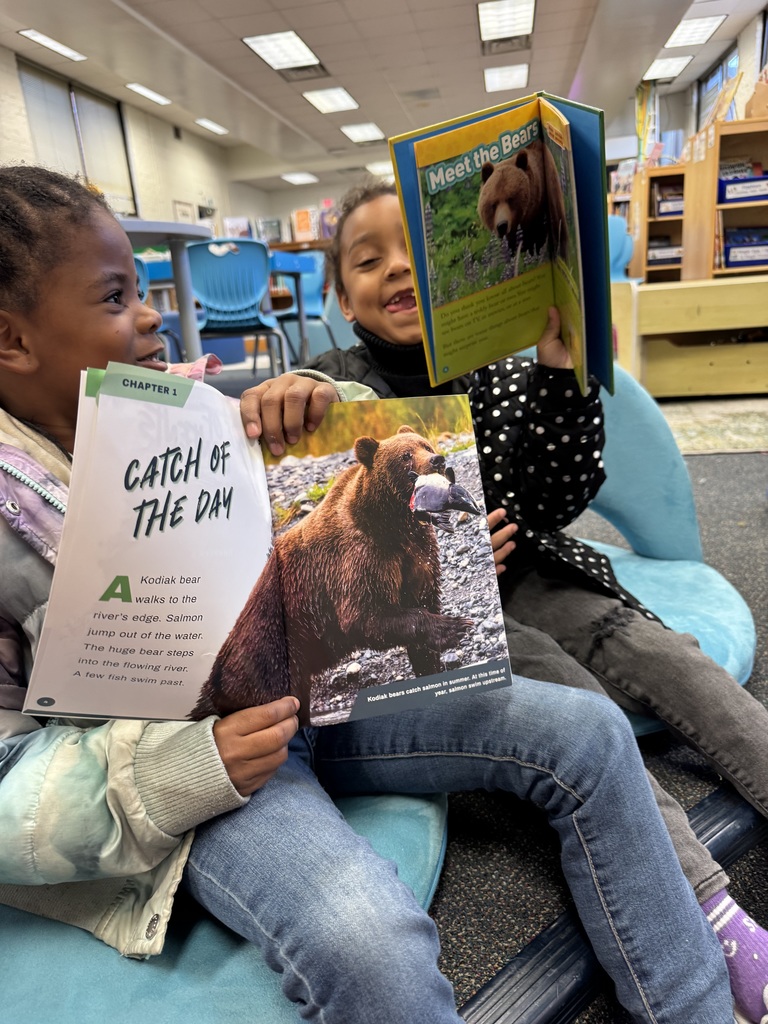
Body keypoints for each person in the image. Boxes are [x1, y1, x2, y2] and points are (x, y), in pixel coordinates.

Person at [0, 165, 737, 1023]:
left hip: (319, 696)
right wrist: (182, 774)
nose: (155, 312)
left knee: (589, 731)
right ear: (13, 340)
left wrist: (322, 403)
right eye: (117, 296)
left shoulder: (192, 406)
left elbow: (376, 451)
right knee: (366, 938)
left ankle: (696, 1008)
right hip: (196, 779)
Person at [304, 177, 768, 1024]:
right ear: (339, 294)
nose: (397, 271)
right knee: (568, 699)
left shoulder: (491, 367)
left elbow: (553, 492)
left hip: (534, 570)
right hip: (446, 612)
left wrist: (560, 367)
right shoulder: (333, 388)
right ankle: (702, 900)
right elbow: (336, 546)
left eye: (414, 255)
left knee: (663, 653)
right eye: (369, 262)